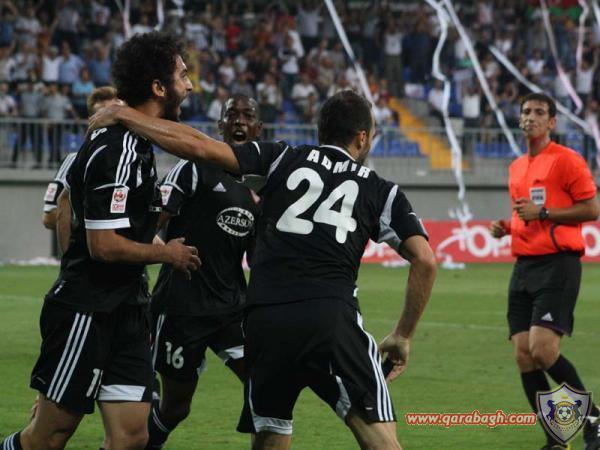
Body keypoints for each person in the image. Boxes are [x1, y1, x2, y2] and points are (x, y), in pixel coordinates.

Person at [89, 89, 437, 450]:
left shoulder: (282, 157)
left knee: (270, 435)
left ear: (321, 130)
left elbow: (200, 147)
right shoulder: (381, 189)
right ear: (362, 138)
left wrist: (126, 115)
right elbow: (425, 260)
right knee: (382, 441)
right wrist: (402, 335)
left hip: (265, 320)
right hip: (330, 317)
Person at [0, 32, 201, 450]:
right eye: (183, 76)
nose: (190, 85)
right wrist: (166, 253)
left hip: (129, 307)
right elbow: (103, 245)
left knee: (132, 436)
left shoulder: (140, 142)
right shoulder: (116, 148)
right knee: (48, 437)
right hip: (88, 308)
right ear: (158, 87)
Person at [146, 93, 262, 449]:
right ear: (220, 125)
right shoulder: (194, 167)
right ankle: (148, 440)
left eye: (248, 115)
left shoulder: (260, 187)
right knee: (176, 407)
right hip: (182, 308)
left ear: (258, 128)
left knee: (264, 380)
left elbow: (257, 257)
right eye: (232, 115)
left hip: (232, 309)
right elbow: (148, 223)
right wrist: (165, 252)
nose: (239, 121)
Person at [489, 92, 600, 450]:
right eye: (526, 111)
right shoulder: (516, 167)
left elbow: (592, 208)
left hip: (558, 265)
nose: (531, 116)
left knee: (542, 349)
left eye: (539, 112)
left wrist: (546, 213)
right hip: (524, 266)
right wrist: (507, 227)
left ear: (552, 122)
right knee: (523, 354)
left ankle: (594, 419)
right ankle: (556, 438)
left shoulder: (567, 160)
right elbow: (526, 217)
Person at [42, 86, 122, 252]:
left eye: (114, 115)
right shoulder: (75, 160)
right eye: (103, 115)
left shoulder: (134, 160)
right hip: (88, 259)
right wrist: (97, 230)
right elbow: (49, 217)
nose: (109, 121)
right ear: (92, 120)